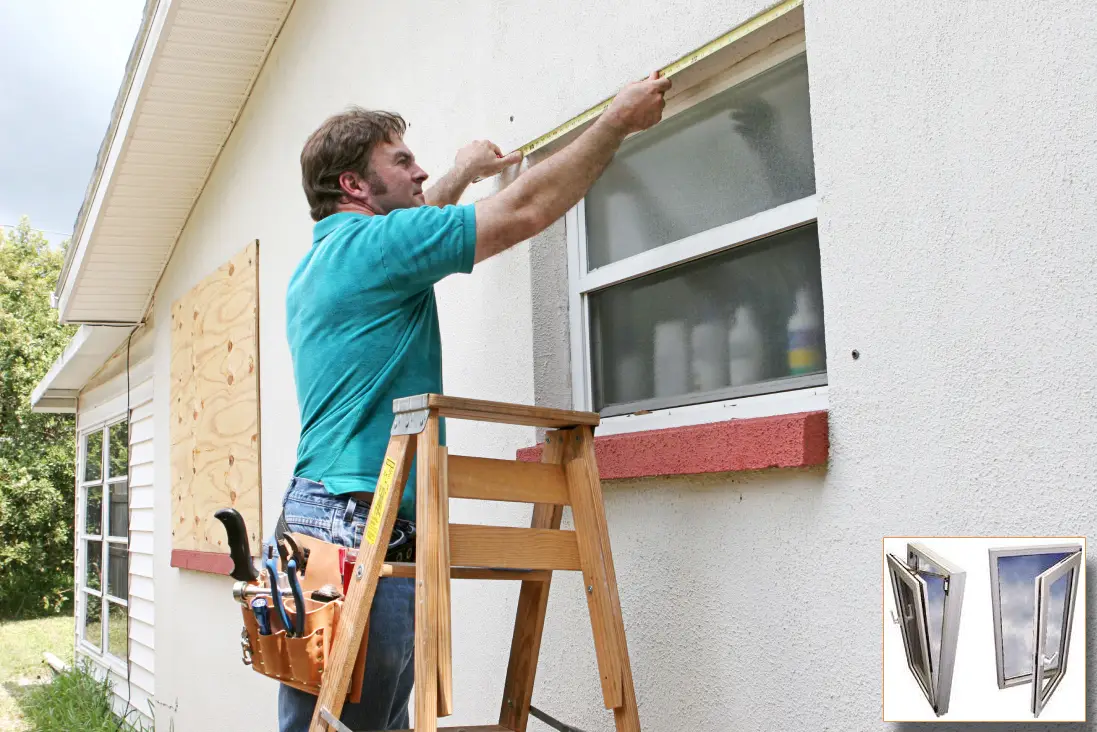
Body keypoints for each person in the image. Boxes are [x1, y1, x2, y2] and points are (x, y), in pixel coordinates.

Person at [277, 71, 671, 731]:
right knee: (362, 725)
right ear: (353, 185)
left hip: (315, 517)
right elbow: (522, 212)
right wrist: (614, 122)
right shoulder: (377, 248)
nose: (419, 170)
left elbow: (420, 224)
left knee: (325, 721)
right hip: (360, 521)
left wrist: (462, 170)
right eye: (400, 161)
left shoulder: (322, 261)